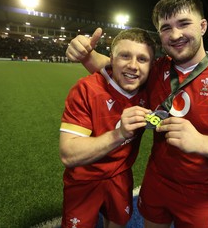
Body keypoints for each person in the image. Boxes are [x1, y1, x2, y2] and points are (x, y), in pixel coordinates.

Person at [66, 0, 208, 228]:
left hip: (200, 194)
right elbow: (114, 68)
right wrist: (83, 53)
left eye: (184, 24)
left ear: (203, 26)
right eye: (166, 28)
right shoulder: (155, 69)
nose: (175, 35)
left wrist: (200, 142)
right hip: (156, 182)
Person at [59, 27, 156, 228]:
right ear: (111, 58)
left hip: (121, 176)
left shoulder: (151, 90)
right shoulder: (86, 89)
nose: (133, 66)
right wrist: (119, 134)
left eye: (142, 59)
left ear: (152, 65)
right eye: (125, 56)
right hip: (83, 179)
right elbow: (69, 154)